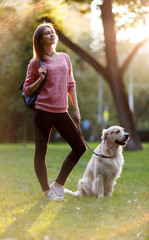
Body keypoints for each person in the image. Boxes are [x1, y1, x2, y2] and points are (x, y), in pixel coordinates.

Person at [23, 23, 86, 201]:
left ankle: (58, 185)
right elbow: (27, 90)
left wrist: (76, 110)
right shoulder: (35, 63)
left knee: (79, 147)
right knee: (40, 152)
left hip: (61, 111)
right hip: (43, 111)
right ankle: (47, 192)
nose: (51, 35)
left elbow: (71, 84)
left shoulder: (65, 57)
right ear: (40, 39)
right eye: (47, 33)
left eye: (52, 32)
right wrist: (40, 78)